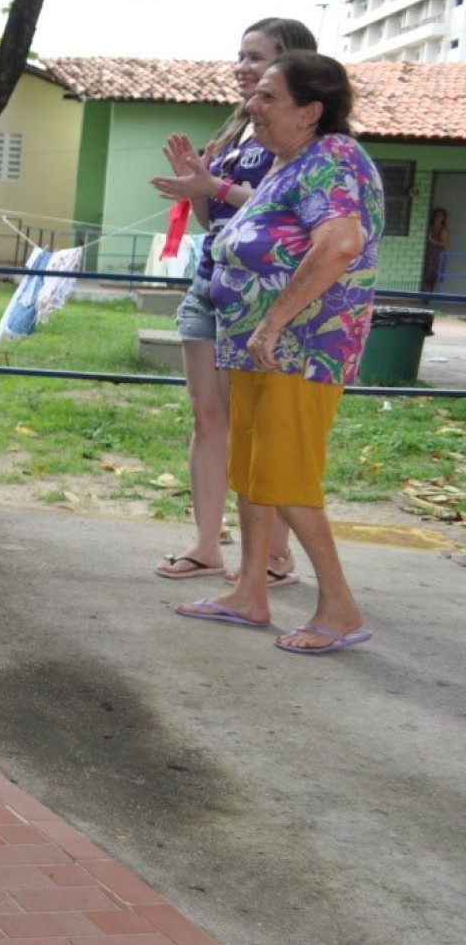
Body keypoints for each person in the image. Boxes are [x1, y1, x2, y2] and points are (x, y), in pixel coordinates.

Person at [174, 53, 382, 656]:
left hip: (302, 347)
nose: (251, 106)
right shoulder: (291, 162)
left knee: (287, 478)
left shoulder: (335, 159)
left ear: (310, 111)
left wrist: (272, 322)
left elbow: (340, 242)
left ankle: (339, 608)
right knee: (256, 472)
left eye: (267, 96)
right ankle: (248, 592)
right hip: (261, 347)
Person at [149, 19, 315, 585]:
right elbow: (214, 215)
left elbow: (284, 208)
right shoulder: (234, 131)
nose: (242, 67)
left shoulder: (303, 138)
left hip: (263, 294)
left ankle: (274, 554)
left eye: (256, 58)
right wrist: (198, 184)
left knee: (260, 426)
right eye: (239, 56)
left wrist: (213, 186)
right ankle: (207, 544)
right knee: (209, 419)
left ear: (287, 66)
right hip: (210, 283)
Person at [423, 207, 450, 294]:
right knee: (426, 275)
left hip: (437, 254)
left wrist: (431, 240)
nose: (438, 217)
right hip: (429, 253)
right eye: (436, 215)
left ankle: (429, 297)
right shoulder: (430, 227)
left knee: (433, 277)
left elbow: (444, 244)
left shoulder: (444, 230)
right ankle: (424, 295)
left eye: (440, 216)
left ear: (443, 218)